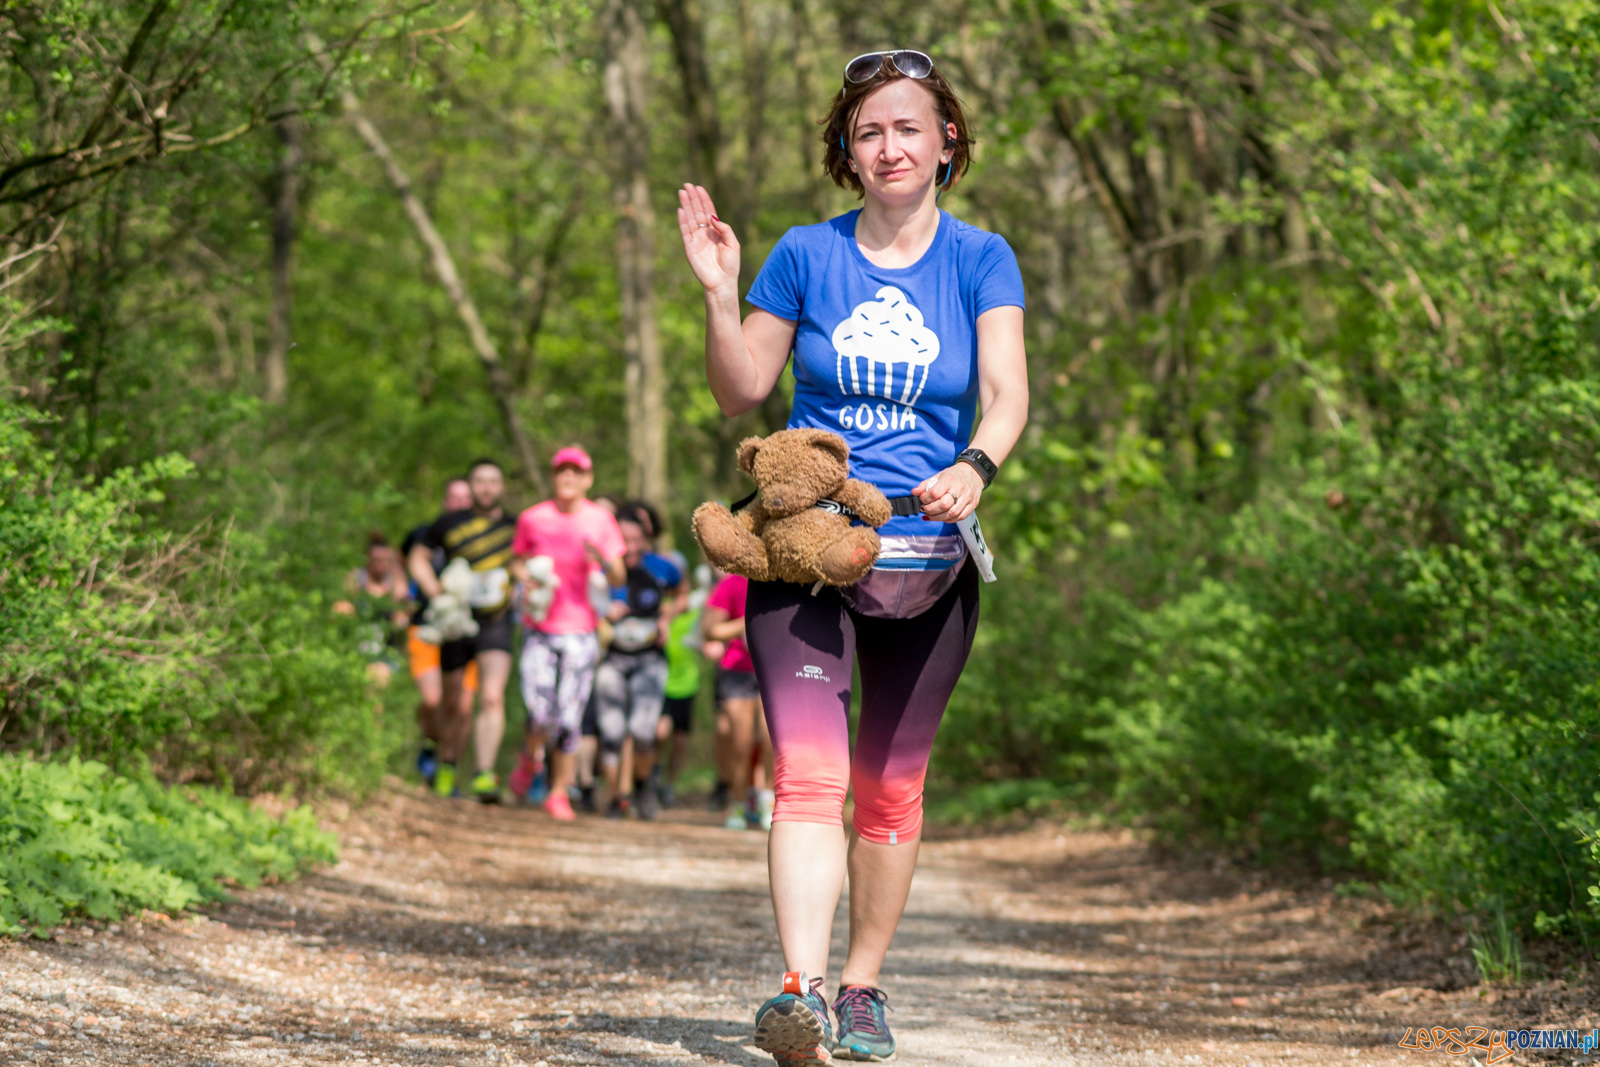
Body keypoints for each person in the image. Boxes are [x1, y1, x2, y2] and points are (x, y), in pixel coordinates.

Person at [676, 48, 1028, 1064]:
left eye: (908, 126)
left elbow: (1005, 391)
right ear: (846, 149)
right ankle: (802, 990)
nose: (889, 145)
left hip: (927, 557)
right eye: (868, 130)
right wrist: (716, 290)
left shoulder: (979, 258)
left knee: (888, 788)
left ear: (946, 141)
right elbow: (740, 388)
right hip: (801, 548)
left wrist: (975, 464)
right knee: (808, 777)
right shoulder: (802, 252)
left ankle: (863, 984)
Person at [509, 446, 626, 821]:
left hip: (581, 629)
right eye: (562, 471)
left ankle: (559, 792)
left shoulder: (601, 520)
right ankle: (530, 759)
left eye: (576, 471)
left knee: (569, 718)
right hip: (539, 627)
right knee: (539, 713)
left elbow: (618, 577)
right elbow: (516, 561)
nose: (569, 477)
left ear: (588, 479)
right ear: (553, 476)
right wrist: (523, 577)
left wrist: (602, 560)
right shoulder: (532, 518)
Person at [408, 459, 524, 804]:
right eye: (479, 480)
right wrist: (436, 592)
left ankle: (485, 775)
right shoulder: (448, 523)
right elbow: (417, 557)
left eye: (493, 480)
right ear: (470, 485)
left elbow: (529, 562)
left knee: (491, 696)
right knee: (455, 704)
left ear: (502, 486)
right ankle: (448, 765)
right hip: (457, 623)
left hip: (496, 622)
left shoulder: (514, 526)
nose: (486, 487)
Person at [592, 501, 687, 820]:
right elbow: (582, 602)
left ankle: (644, 787)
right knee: (612, 733)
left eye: (636, 540)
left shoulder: (664, 566)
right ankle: (616, 798)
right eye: (623, 540)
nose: (630, 547)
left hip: (649, 659)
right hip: (611, 659)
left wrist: (666, 618)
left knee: (644, 732)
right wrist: (602, 616)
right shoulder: (601, 571)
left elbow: (682, 594)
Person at [401, 478, 479, 788]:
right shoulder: (423, 535)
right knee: (433, 700)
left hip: (467, 629)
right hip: (427, 626)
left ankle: (449, 769)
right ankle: (431, 743)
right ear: (444, 500)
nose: (459, 503)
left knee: (460, 706)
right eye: (453, 497)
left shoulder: (479, 539)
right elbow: (404, 560)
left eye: (465, 497)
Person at [702, 572, 773, 831]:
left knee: (770, 740)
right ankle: (738, 801)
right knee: (740, 743)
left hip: (772, 669)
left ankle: (767, 800)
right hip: (736, 672)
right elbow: (711, 629)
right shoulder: (731, 584)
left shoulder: (780, 580)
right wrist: (747, 621)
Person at [651, 563, 714, 809]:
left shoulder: (697, 611)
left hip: (687, 683)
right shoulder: (661, 611)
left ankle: (668, 784)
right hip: (661, 683)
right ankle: (652, 776)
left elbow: (704, 629)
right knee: (660, 732)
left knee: (679, 740)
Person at [333, 532, 411, 688]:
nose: (381, 564)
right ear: (368, 558)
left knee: (377, 679)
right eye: (376, 560)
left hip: (386, 650)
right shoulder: (356, 579)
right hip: (359, 646)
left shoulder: (394, 581)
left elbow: (404, 610)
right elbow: (339, 607)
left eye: (385, 560)